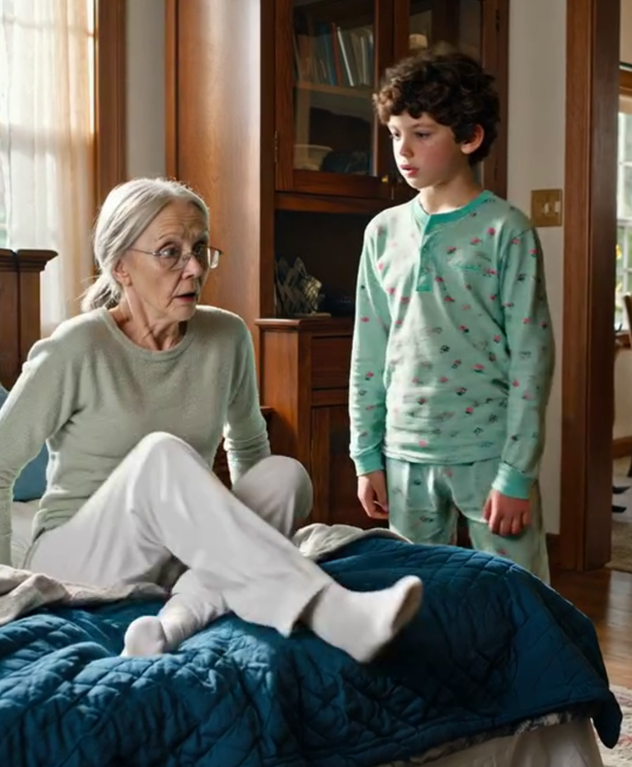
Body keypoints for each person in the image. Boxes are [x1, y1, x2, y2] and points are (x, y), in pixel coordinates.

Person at [0, 177, 423, 661]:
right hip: (78, 556)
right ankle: (331, 610)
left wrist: (247, 540)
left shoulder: (226, 335)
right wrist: (6, 582)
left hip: (175, 558)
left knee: (285, 475)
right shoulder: (74, 348)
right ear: (120, 267)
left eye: (199, 248)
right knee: (162, 455)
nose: (195, 268)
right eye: (170, 252)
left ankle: (172, 625)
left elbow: (248, 449)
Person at [349, 51, 555, 581]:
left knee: (518, 596)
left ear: (469, 137)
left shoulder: (507, 230)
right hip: (403, 451)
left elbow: (531, 359)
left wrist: (517, 473)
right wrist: (365, 455)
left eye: (421, 134)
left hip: (487, 451)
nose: (403, 150)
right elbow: (368, 352)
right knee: (419, 600)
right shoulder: (382, 233)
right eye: (395, 134)